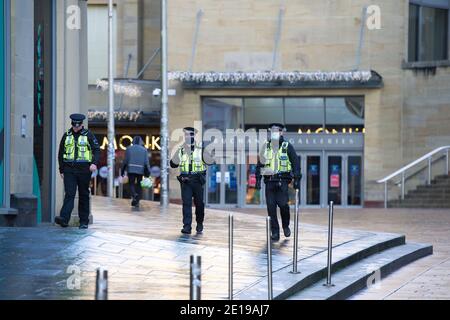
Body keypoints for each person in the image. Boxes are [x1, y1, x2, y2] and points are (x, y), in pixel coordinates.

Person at [256, 123, 301, 241]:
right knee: (271, 208)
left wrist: (297, 179)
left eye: (276, 131)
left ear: (282, 132)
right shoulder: (266, 147)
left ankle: (285, 226)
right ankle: (275, 232)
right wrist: (257, 180)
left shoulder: (287, 146)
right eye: (272, 131)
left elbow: (296, 164)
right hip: (269, 181)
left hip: (282, 181)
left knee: (283, 205)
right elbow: (259, 165)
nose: (274, 133)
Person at [55, 114, 100, 229]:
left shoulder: (89, 135)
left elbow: (96, 150)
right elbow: (60, 153)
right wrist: (61, 169)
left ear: (81, 124)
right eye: (74, 125)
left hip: (84, 170)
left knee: (83, 194)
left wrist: (94, 163)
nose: (76, 127)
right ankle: (64, 219)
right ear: (72, 124)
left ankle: (83, 221)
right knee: (69, 194)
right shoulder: (66, 135)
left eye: (78, 125)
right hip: (69, 169)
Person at [170, 127, 209, 235]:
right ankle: (187, 227)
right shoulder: (181, 149)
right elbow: (173, 164)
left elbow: (210, 161)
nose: (187, 136)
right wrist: (173, 158)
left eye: (190, 134)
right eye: (186, 134)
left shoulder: (201, 149)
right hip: (185, 180)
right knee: (186, 204)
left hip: (197, 180)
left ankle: (199, 223)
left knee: (199, 204)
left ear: (193, 136)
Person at [121, 136, 151, 208]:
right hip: (140, 170)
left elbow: (125, 160)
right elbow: (146, 162)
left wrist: (122, 170)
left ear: (133, 141)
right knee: (138, 185)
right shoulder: (144, 150)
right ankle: (136, 201)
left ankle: (134, 195)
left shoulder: (129, 149)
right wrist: (148, 171)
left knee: (131, 184)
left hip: (131, 169)